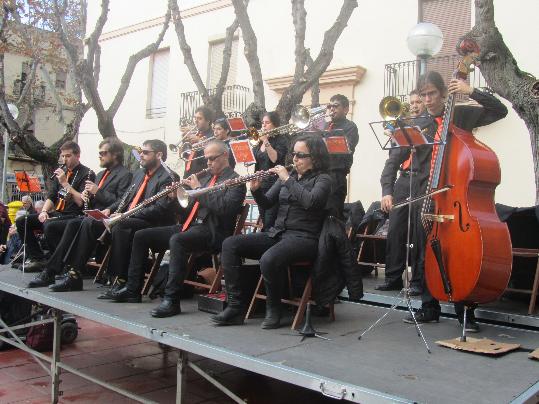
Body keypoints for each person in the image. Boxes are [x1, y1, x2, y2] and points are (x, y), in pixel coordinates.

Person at [394, 71, 508, 332]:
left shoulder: (460, 115)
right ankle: (429, 307)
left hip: (455, 197)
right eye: (423, 95)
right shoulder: (420, 122)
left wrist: (471, 92)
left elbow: (499, 111)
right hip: (428, 194)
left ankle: (465, 313)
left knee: (456, 253)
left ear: (444, 93)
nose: (427, 99)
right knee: (425, 253)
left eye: (431, 93)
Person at [111, 140, 246, 316]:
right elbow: (187, 211)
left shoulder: (236, 181)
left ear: (225, 156)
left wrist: (198, 190)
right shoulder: (205, 178)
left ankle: (171, 300)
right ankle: (132, 289)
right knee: (142, 235)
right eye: (206, 159)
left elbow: (225, 209)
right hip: (190, 226)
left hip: (214, 231)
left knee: (178, 240)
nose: (208, 163)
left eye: (212, 159)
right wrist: (175, 198)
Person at [212, 134, 332, 329]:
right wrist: (257, 190)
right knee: (230, 244)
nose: (294, 159)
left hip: (305, 238)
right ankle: (235, 306)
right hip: (278, 233)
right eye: (294, 154)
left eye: (301, 155)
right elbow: (267, 203)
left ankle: (274, 310)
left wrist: (286, 179)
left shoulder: (323, 179)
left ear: (315, 157)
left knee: (268, 258)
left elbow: (310, 202)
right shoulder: (290, 176)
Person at [49, 139, 176, 293]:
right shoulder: (139, 174)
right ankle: (74, 275)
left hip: (152, 222)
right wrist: (109, 210)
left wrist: (126, 215)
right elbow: (125, 198)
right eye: (141, 152)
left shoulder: (168, 177)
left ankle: (120, 279)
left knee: (121, 226)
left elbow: (159, 209)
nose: (140, 155)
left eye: (145, 152)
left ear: (159, 155)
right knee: (90, 222)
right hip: (130, 217)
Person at [27, 137, 132, 288]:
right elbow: (88, 201)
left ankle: (66, 274)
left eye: (103, 153)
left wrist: (97, 192)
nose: (99, 156)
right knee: (64, 225)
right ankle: (56, 271)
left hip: (106, 219)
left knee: (78, 223)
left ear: (115, 154)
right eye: (99, 153)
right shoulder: (101, 174)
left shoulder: (125, 174)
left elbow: (121, 201)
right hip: (91, 216)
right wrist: (86, 197)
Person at [376, 90, 425, 294]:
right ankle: (393, 278)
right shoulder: (403, 128)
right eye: (411, 102)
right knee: (395, 230)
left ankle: (417, 282)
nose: (414, 105)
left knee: (418, 233)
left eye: (418, 101)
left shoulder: (432, 126)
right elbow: (392, 162)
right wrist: (387, 191)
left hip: (424, 181)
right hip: (404, 182)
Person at [15, 141, 91, 271]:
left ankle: (58, 263)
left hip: (73, 214)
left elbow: (81, 202)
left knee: (49, 225)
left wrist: (65, 184)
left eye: (68, 156)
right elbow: (51, 196)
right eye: (63, 156)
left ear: (77, 155)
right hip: (57, 212)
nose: (64, 159)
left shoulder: (87, 173)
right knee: (23, 221)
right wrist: (44, 211)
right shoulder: (62, 173)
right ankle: (38, 258)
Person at [323, 94, 359, 220]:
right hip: (321, 176)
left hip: (336, 177)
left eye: (336, 106)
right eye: (330, 106)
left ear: (346, 109)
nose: (331, 109)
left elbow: (343, 149)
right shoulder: (325, 126)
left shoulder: (350, 127)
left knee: (332, 217)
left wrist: (325, 138)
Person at [252, 111, 289, 231]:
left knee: (270, 220)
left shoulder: (281, 140)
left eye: (267, 123)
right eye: (263, 123)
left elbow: (275, 159)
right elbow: (255, 161)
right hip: (261, 184)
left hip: (274, 184)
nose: (263, 126)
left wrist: (266, 141)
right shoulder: (259, 143)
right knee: (263, 217)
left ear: (275, 125)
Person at [182, 106, 215, 178]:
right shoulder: (194, 134)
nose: (196, 121)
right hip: (188, 174)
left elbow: (212, 154)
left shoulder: (213, 135)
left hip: (203, 177)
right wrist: (184, 145)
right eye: (195, 118)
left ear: (208, 120)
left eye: (199, 118)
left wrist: (199, 140)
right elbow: (185, 156)